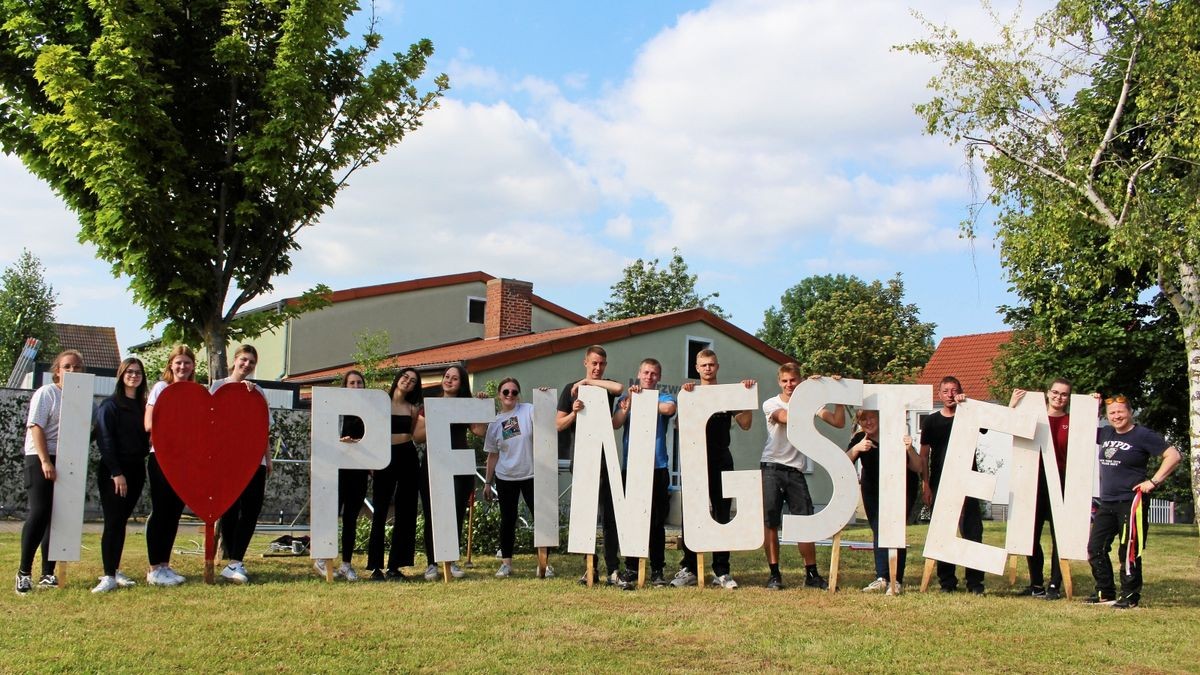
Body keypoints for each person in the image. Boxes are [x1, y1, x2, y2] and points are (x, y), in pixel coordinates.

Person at [1086, 395, 1181, 609]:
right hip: (1107, 501)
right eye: (1112, 413)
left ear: (1129, 412)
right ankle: (1105, 592)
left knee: (1128, 550)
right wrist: (1094, 405)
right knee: (1095, 548)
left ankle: (1129, 597)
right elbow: (1081, 426)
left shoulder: (1142, 435)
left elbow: (1173, 455)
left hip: (1132, 501)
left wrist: (1154, 481)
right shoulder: (1106, 432)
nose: (1116, 416)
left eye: (1120, 412)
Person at [671, 349, 754, 589]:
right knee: (693, 515)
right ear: (697, 368)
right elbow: (678, 426)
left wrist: (745, 399)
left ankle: (722, 571)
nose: (707, 368)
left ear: (717, 367)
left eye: (711, 365)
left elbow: (746, 425)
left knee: (721, 515)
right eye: (703, 365)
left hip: (721, 460)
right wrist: (683, 399)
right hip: (695, 461)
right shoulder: (690, 394)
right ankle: (688, 568)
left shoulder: (727, 395)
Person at [761, 366, 845, 591]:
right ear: (779, 382)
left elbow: (838, 421)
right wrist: (812, 391)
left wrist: (835, 393)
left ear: (799, 380)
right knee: (771, 522)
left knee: (805, 522)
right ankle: (774, 574)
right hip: (772, 468)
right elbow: (786, 417)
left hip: (795, 471)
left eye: (794, 380)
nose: (790, 384)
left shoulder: (810, 404)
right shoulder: (771, 403)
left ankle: (811, 574)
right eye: (785, 381)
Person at [15, 349, 84, 595]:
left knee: (59, 516)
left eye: (77, 367)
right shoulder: (47, 393)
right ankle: (23, 573)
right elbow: (35, 427)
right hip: (40, 457)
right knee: (40, 511)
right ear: (58, 371)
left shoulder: (80, 399)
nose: (73, 371)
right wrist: (45, 461)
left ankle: (48, 572)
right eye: (67, 367)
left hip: (68, 460)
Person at [555, 345, 625, 586]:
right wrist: (574, 413)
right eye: (593, 363)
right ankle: (589, 568)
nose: (597, 368)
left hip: (607, 459)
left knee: (610, 518)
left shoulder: (603, 387)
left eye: (601, 364)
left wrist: (588, 382)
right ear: (585, 361)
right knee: (586, 516)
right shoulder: (569, 390)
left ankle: (613, 569)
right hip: (584, 458)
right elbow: (558, 424)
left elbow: (619, 388)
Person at [414, 365, 483, 580]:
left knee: (456, 513)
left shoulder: (466, 406)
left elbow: (479, 431)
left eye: (455, 378)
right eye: (447, 377)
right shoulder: (430, 405)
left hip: (459, 463)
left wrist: (479, 408)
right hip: (433, 463)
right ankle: (432, 564)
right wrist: (439, 417)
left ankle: (451, 561)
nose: (449, 380)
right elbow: (418, 436)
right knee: (431, 513)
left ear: (462, 383)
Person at [611, 358, 676, 587]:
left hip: (657, 467)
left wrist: (645, 402)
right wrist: (628, 406)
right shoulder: (627, 398)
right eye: (646, 373)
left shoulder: (664, 396)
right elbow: (617, 423)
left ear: (659, 377)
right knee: (632, 521)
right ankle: (630, 567)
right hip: (633, 466)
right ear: (639, 373)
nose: (649, 377)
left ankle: (657, 570)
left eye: (654, 374)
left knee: (656, 523)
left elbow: (669, 409)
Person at [209, 344, 271, 584]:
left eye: (251, 363)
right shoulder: (218, 386)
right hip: (227, 461)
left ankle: (236, 561)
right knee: (229, 508)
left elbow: (263, 427)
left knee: (252, 510)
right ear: (235, 360)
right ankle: (230, 562)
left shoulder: (258, 392)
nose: (247, 365)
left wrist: (268, 458)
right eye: (244, 360)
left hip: (255, 461)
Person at [481, 378, 553, 578]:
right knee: (508, 520)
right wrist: (488, 482)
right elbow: (493, 454)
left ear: (518, 394)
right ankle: (506, 563)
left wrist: (545, 395)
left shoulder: (528, 410)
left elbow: (547, 417)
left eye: (514, 392)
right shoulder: (495, 423)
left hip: (531, 474)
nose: (510, 395)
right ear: (499, 395)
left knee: (542, 519)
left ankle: (544, 563)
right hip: (505, 477)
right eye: (506, 392)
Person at [919, 376, 985, 594]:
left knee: (972, 532)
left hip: (969, 482)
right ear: (939, 395)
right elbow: (924, 455)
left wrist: (968, 404)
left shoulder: (969, 415)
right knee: (943, 533)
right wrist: (926, 484)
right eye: (945, 391)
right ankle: (947, 582)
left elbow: (987, 424)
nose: (949, 395)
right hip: (941, 483)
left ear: (960, 392)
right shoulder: (931, 421)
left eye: (954, 391)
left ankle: (975, 583)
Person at [1009, 378, 1073, 599]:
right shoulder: (1034, 418)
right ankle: (1036, 585)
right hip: (1033, 483)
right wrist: (1013, 406)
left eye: (1064, 394)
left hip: (1061, 483)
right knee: (1029, 535)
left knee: (1060, 537)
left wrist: (1094, 404)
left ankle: (1055, 586)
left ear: (1068, 398)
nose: (1059, 397)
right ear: (1048, 393)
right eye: (1055, 392)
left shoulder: (1072, 421)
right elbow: (1011, 428)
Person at [91, 357, 151, 593]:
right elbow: (104, 441)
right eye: (129, 371)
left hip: (137, 469)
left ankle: (114, 570)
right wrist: (116, 472)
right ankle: (107, 576)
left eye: (138, 372)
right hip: (114, 471)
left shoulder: (143, 407)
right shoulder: (110, 405)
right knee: (113, 522)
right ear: (121, 374)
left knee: (121, 522)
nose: (134, 375)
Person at [848, 408, 922, 595]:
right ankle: (882, 577)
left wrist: (909, 448)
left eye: (871, 417)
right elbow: (843, 462)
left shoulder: (895, 435)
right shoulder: (860, 438)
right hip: (872, 488)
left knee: (896, 530)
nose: (868, 422)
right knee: (878, 529)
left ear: (880, 417)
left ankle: (896, 580)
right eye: (863, 419)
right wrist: (856, 449)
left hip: (901, 486)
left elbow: (918, 466)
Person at [144, 344, 196, 586]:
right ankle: (154, 567)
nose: (182, 366)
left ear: (193, 366)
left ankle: (165, 564)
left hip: (184, 461)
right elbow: (148, 423)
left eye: (187, 362)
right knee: (161, 511)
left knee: (175, 512)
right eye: (178, 362)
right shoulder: (160, 388)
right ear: (171, 365)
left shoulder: (194, 391)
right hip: (161, 457)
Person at [365, 368, 424, 581]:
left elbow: (416, 436)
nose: (407, 382)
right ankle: (375, 568)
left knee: (406, 511)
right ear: (398, 379)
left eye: (413, 381)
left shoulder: (413, 408)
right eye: (405, 377)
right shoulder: (380, 402)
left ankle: (395, 566)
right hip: (383, 457)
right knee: (379, 511)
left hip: (407, 456)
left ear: (415, 387)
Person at [314, 369, 370, 581]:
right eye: (352, 383)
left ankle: (346, 564)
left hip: (358, 471)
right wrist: (340, 441)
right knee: (331, 514)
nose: (356, 387)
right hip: (336, 470)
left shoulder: (369, 411)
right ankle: (322, 559)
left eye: (359, 383)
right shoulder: (335, 410)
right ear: (345, 386)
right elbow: (325, 438)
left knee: (351, 519)